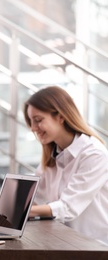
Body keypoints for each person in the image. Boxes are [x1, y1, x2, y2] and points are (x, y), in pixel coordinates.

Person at [24, 85, 108, 245]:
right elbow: (37, 200)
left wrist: (20, 211)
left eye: (38, 120)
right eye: (31, 122)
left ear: (60, 116)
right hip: (62, 242)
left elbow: (68, 208)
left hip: (95, 247)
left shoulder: (94, 154)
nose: (33, 128)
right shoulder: (51, 158)